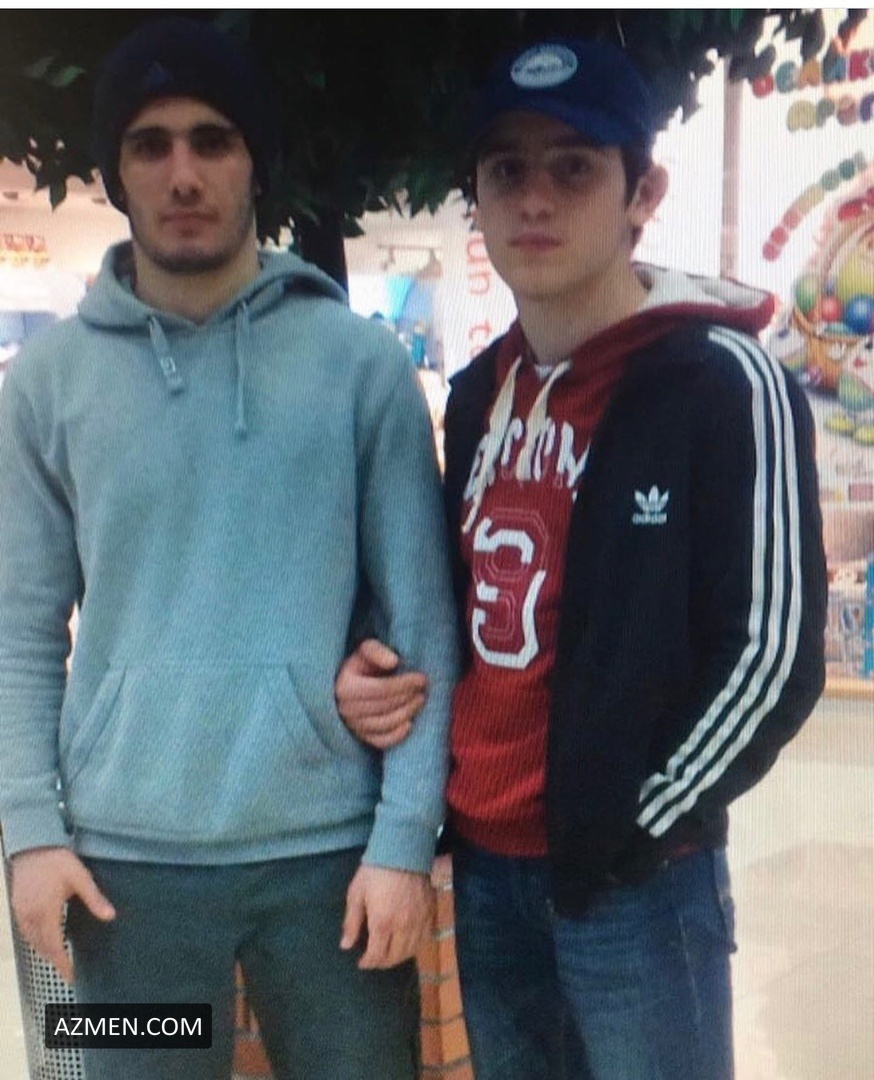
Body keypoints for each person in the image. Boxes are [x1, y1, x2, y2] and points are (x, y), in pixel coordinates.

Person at [335, 38, 828, 1080]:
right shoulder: (477, 395)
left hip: (637, 883)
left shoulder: (721, 381)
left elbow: (773, 653)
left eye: (574, 166)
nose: (535, 198)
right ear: (476, 198)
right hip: (487, 870)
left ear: (640, 193)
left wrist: (634, 824)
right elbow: (457, 606)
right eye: (506, 169)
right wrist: (372, 666)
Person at [0, 17, 457, 1080]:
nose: (183, 173)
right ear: (116, 171)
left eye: (213, 139)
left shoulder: (360, 367)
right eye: (150, 144)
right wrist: (28, 832)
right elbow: (19, 627)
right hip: (120, 875)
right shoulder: (47, 386)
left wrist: (404, 840)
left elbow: (423, 620)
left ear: (255, 161)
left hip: (331, 866)